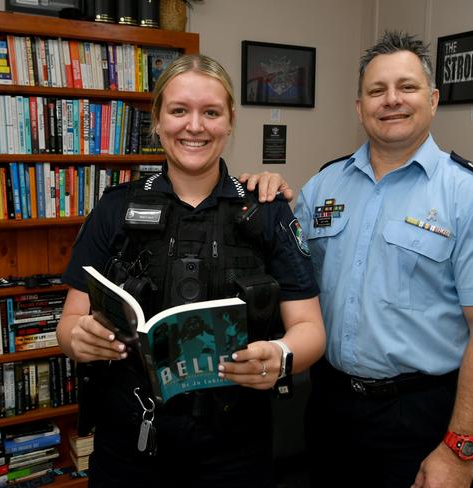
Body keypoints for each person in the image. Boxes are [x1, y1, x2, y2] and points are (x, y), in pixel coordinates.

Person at [243, 30, 473, 488]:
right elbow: (287, 280)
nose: (391, 100)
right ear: (359, 107)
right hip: (330, 404)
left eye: (406, 87)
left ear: (431, 100)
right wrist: (258, 198)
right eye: (377, 90)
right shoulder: (323, 187)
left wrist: (460, 447)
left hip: (420, 413)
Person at [57, 54, 325, 488]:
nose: (195, 126)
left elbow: (311, 329)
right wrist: (79, 339)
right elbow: (68, 324)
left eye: (211, 112)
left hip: (236, 448)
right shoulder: (115, 207)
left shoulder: (266, 210)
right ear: (158, 120)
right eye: (179, 110)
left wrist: (280, 357)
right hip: (130, 443)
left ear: (230, 121)